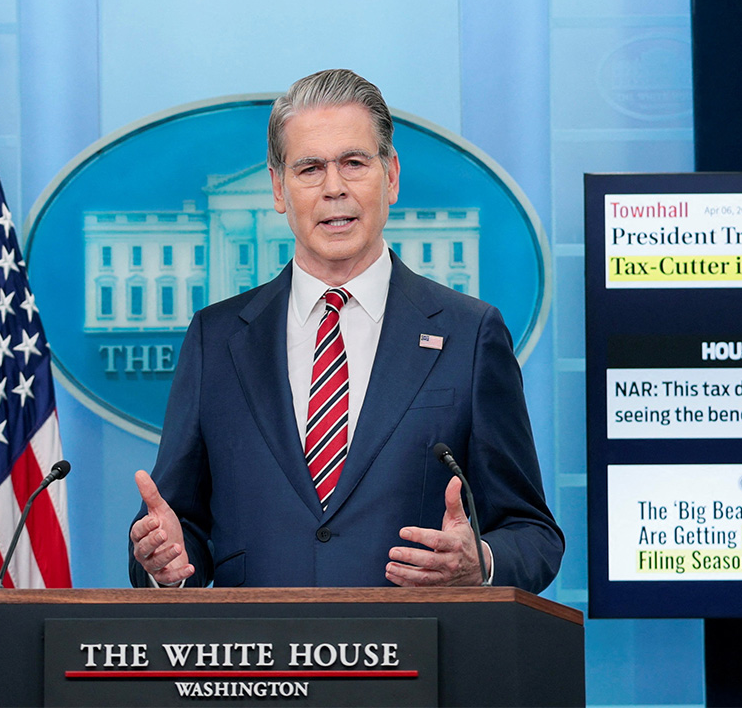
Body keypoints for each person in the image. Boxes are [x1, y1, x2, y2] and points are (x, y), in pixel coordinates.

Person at [129, 69, 562, 591]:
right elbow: (180, 528)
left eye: (354, 163)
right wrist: (165, 562)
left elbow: (532, 534)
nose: (334, 188)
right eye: (310, 168)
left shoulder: (470, 335)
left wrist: (480, 563)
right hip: (261, 664)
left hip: (417, 659)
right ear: (279, 188)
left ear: (392, 176)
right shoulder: (215, 339)